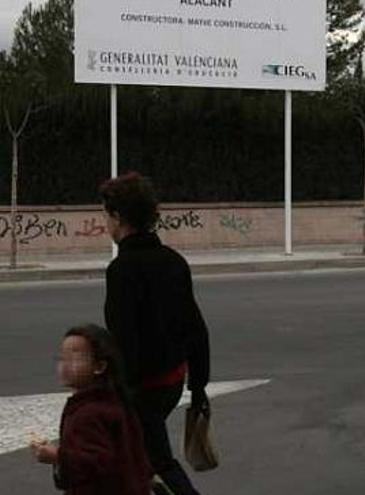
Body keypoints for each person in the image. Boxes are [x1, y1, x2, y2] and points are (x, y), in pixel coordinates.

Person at [100, 172, 210, 495]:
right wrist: (199, 385)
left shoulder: (122, 271)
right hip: (174, 381)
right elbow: (195, 326)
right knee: (138, 460)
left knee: (160, 461)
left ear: (118, 217)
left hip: (143, 390)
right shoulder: (174, 261)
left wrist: (118, 395)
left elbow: (124, 340)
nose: (105, 223)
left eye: (106, 215)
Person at [31, 324, 151, 494]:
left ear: (99, 366)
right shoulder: (115, 402)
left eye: (75, 359)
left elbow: (95, 463)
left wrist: (57, 456)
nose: (65, 365)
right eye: (62, 358)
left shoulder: (89, 413)